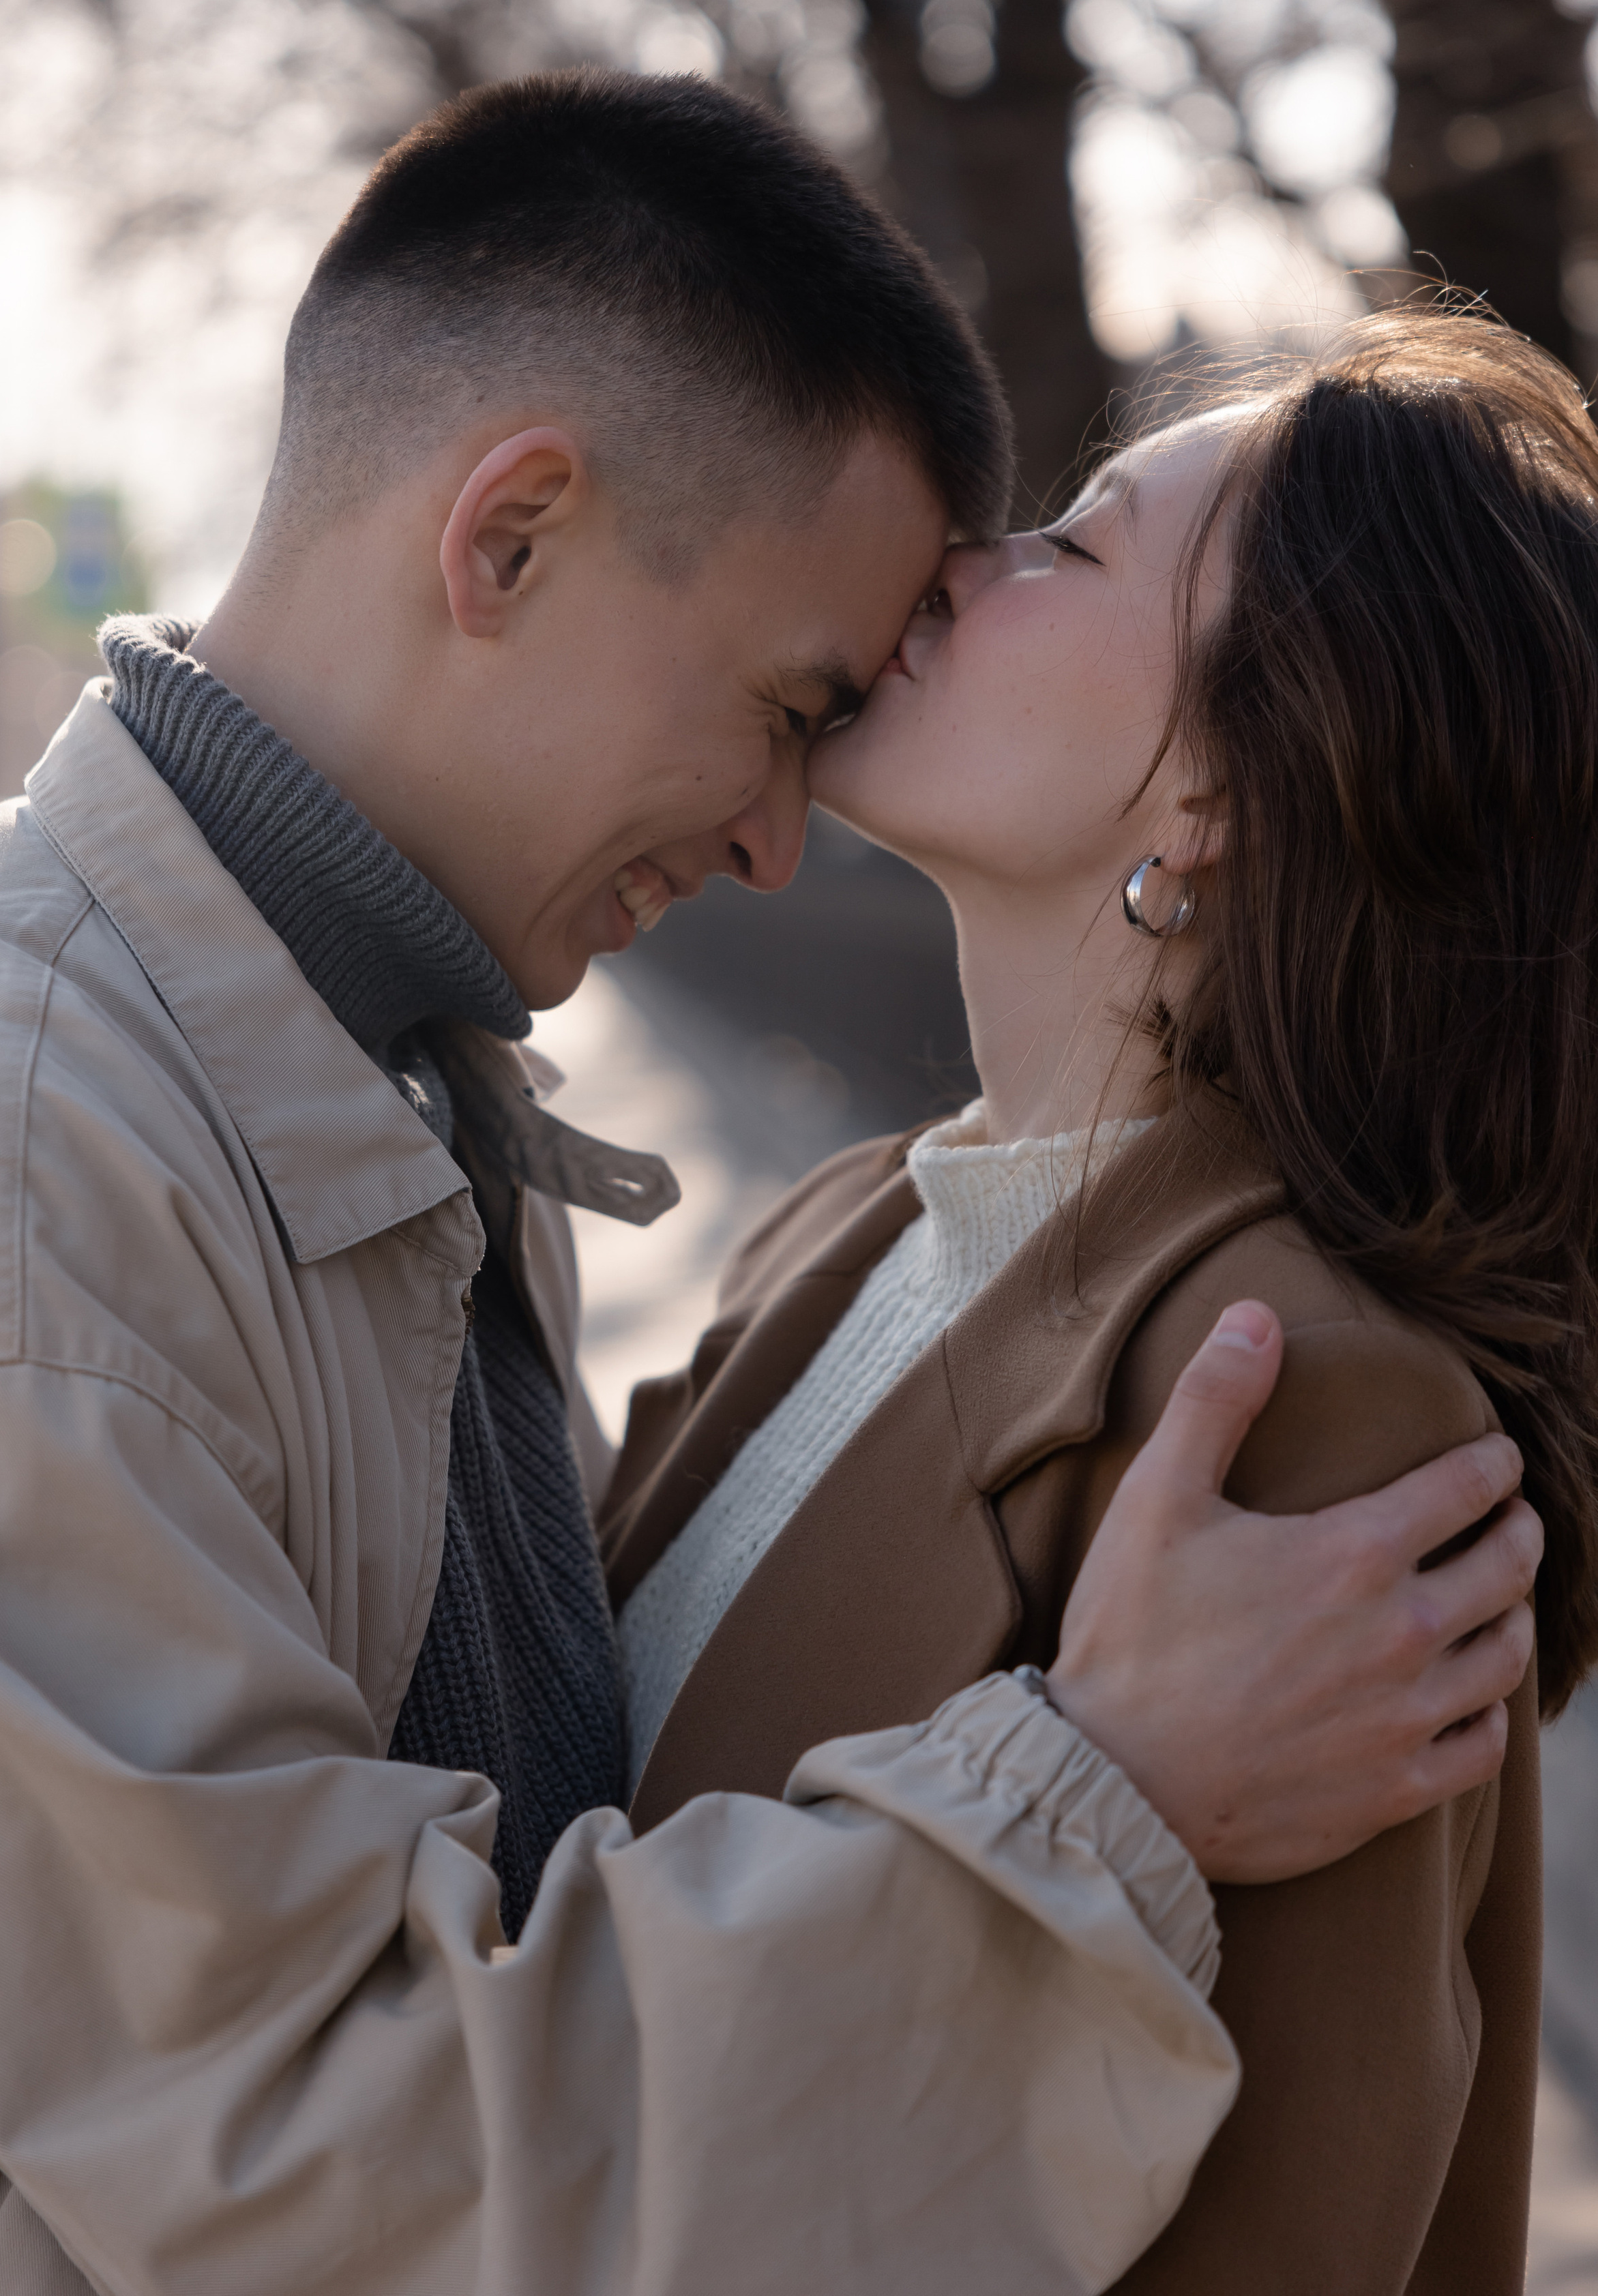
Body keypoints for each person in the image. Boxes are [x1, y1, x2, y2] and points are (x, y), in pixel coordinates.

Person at [0, 76, 1539, 2296]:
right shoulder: (10, 1189)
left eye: (1073, 551)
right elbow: (316, 2157)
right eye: (785, 693)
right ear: (511, 536)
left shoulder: (411, 1086)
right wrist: (1096, 1806)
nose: (776, 832)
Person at [603, 305, 1598, 2295]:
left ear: (1225, 790)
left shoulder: (1307, 1415)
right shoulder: (849, 1229)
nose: (960, 560)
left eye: (1072, 546)